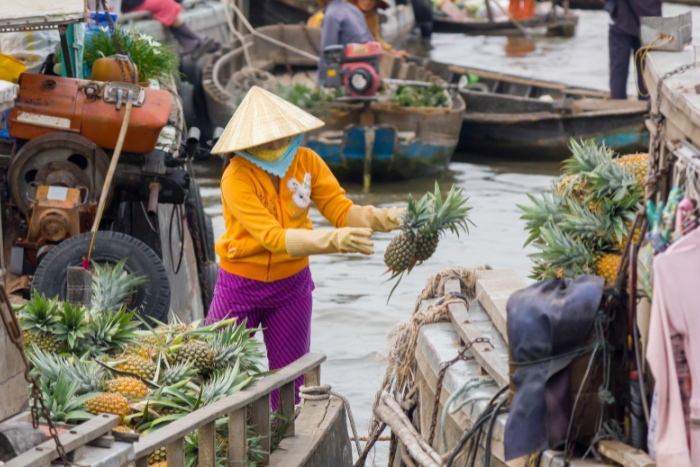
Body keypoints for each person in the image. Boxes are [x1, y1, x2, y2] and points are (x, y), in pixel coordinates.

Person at [207, 86, 405, 410]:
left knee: (291, 384)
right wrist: (334, 241)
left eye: (280, 136)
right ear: (247, 141)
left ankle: (284, 441)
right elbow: (272, 237)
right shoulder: (236, 176)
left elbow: (341, 210)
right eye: (265, 139)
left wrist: (384, 218)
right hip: (240, 286)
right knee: (213, 371)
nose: (275, 145)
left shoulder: (307, 161)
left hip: (292, 286)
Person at [606, 0, 662, 100]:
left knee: (643, 77)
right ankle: (646, 109)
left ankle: (619, 106)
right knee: (645, 77)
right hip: (635, 20)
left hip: (638, 21)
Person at [120, 0, 219, 56]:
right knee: (166, 4)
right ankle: (198, 40)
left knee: (168, 6)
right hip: (130, 3)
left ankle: (191, 44)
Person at [317, 0, 374, 85]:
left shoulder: (331, 14)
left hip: (352, 72)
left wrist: (320, 83)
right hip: (370, 68)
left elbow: (327, 52)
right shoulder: (353, 10)